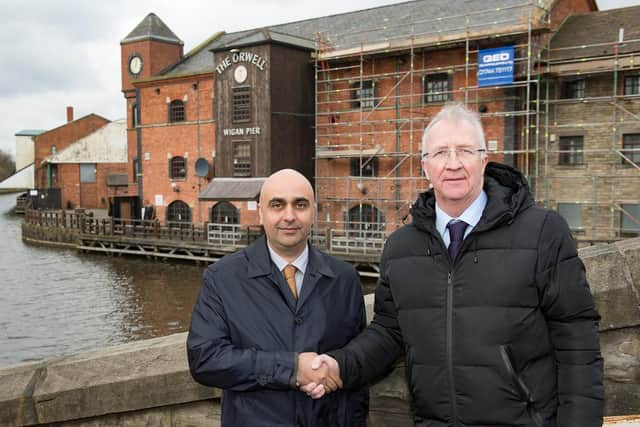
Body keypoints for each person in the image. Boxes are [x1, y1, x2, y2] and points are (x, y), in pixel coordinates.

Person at [304, 103, 604, 426]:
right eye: (441, 153)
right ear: (425, 166)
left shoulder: (544, 232)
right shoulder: (401, 247)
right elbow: (390, 332)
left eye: (464, 151)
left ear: (484, 159)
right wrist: (339, 366)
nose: (453, 164)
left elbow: (577, 342)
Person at [187, 168, 368, 426]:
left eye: (301, 204)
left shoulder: (345, 278)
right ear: (261, 212)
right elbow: (205, 359)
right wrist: (291, 368)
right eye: (277, 205)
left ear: (314, 211)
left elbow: (357, 362)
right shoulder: (222, 278)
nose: (289, 216)